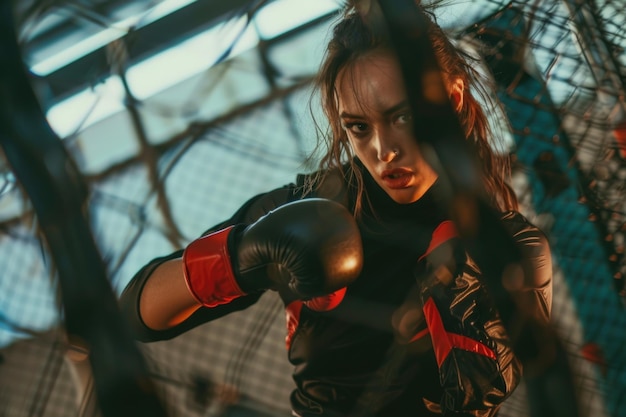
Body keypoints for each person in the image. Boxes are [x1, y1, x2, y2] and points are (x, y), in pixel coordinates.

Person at [119, 1, 553, 416]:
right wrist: (241, 256)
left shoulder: (494, 242)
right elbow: (138, 315)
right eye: (359, 128)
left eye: (402, 117)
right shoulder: (313, 205)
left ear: (452, 98)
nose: (384, 150)